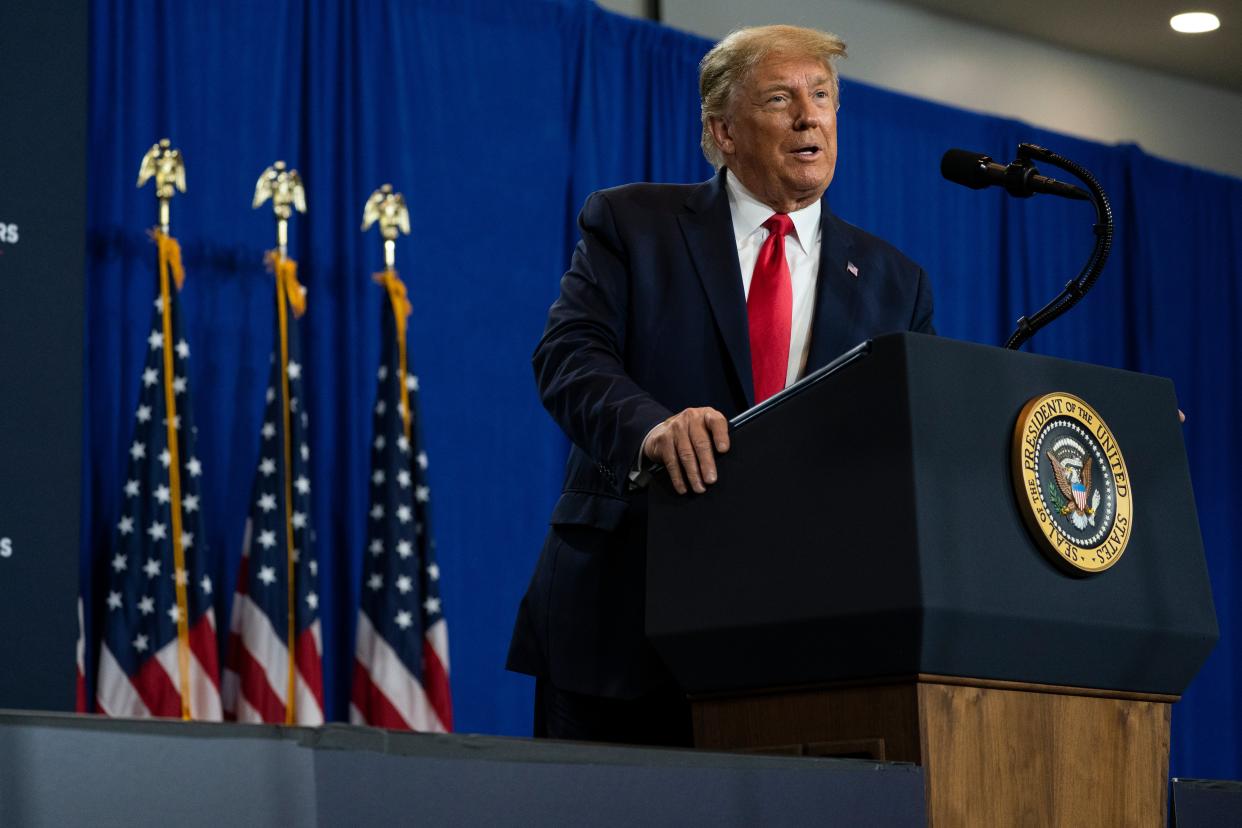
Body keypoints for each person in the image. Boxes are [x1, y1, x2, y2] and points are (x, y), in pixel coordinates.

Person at [506, 24, 935, 746]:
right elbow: (569, 356)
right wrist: (651, 429)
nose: (810, 116)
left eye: (822, 96)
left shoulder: (897, 283)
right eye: (780, 98)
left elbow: (913, 436)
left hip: (804, 643)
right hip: (624, 625)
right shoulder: (633, 223)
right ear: (723, 132)